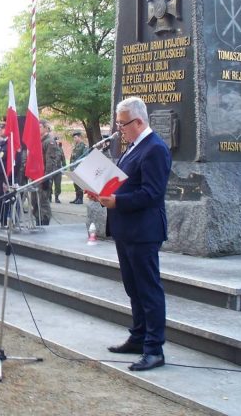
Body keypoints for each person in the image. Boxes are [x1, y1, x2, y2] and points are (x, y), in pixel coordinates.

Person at [95, 96, 171, 372]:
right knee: (133, 288)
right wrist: (102, 193)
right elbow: (124, 184)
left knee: (148, 290)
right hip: (126, 228)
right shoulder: (132, 147)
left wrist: (118, 202)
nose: (119, 130)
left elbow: (152, 194)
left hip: (144, 230)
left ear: (139, 122)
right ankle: (139, 337)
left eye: (123, 124)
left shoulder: (155, 149)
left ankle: (154, 349)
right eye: (118, 124)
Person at [31, 120, 54, 226]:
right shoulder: (38, 141)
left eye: (40, 127)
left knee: (43, 202)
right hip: (35, 177)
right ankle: (38, 221)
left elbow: (51, 161)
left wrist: (46, 178)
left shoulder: (49, 142)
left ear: (46, 128)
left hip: (43, 177)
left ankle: (44, 223)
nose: (38, 129)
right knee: (35, 201)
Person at [69, 131, 87, 204]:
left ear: (79, 137)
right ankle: (77, 198)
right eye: (74, 138)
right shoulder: (76, 146)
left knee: (79, 184)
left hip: (79, 167)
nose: (74, 139)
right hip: (74, 167)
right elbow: (72, 156)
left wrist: (80, 167)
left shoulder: (83, 146)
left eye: (75, 137)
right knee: (75, 183)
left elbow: (85, 157)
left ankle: (80, 199)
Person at [50, 137, 65, 203]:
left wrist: (64, 167)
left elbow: (63, 158)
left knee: (58, 184)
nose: (57, 142)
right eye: (56, 140)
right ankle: (49, 197)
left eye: (57, 140)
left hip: (58, 169)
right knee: (50, 184)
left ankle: (57, 197)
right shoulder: (50, 148)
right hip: (51, 169)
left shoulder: (60, 149)